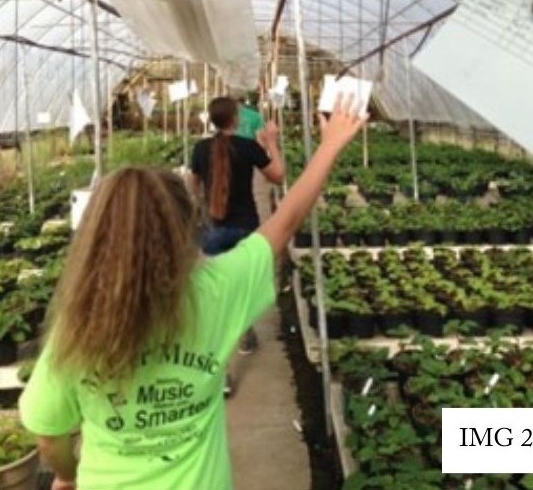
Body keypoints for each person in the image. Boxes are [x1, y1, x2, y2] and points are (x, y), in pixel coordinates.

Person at [19, 95, 368, 490]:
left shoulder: (76, 324)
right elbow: (285, 221)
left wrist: (66, 476)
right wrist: (330, 145)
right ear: (185, 228)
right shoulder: (215, 291)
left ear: (94, 238)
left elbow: (48, 433)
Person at [190, 96, 283, 363]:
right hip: (245, 226)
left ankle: (224, 362)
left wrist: (203, 210)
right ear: (236, 119)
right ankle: (243, 331)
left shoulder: (200, 149)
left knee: (218, 289)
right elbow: (278, 175)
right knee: (242, 285)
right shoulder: (247, 146)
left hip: (212, 229)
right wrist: (272, 143)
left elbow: (192, 187)